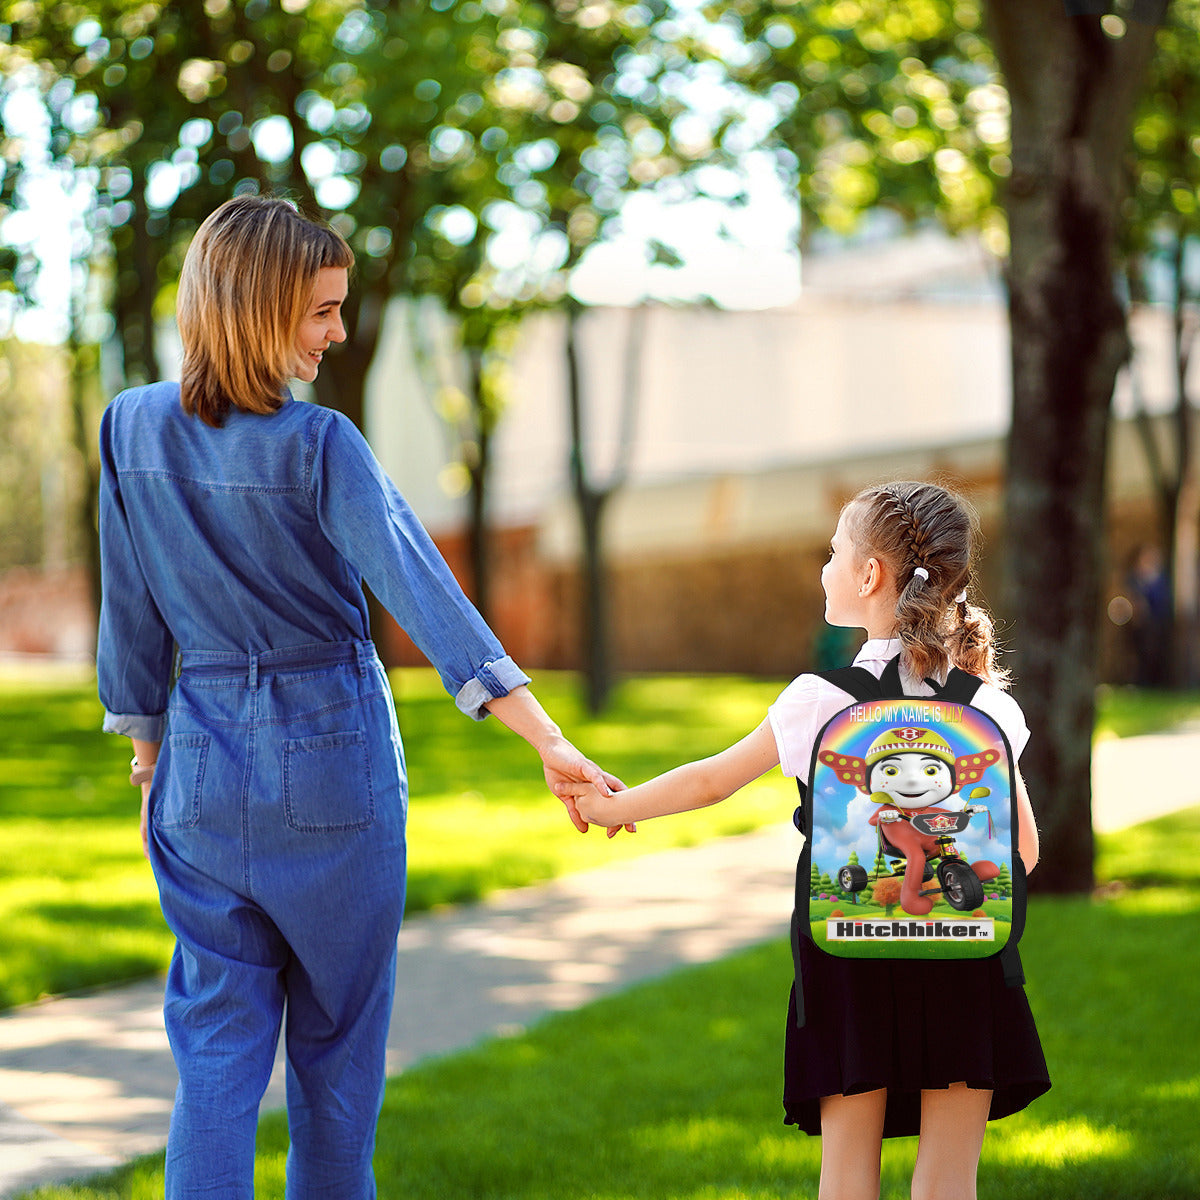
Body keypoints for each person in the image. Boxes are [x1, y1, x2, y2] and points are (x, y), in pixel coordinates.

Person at [96, 194, 620, 1199]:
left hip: (198, 774)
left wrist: (152, 755)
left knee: (213, 1059)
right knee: (335, 1059)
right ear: (256, 306)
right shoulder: (318, 443)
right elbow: (426, 592)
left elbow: (132, 614)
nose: (339, 332)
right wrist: (544, 737)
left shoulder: (129, 427)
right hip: (329, 759)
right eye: (321, 311)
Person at [559, 481, 1050, 1200]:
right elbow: (1026, 854)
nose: (825, 567)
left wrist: (614, 808)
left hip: (847, 959)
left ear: (869, 574)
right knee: (950, 1180)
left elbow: (710, 783)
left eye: (833, 551)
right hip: (962, 959)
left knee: (846, 1176)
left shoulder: (821, 701)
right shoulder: (988, 709)